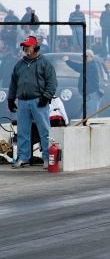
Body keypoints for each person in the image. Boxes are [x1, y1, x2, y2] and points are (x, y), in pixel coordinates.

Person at [7, 36, 57, 169]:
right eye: (24, 46)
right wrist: (11, 99)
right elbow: (13, 83)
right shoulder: (20, 65)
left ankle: (47, 158)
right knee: (23, 131)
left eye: (28, 46)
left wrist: (46, 97)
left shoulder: (44, 62)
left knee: (44, 130)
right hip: (23, 102)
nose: (25, 48)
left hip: (39, 101)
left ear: (35, 46)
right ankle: (24, 157)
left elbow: (52, 82)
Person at [62, 49, 101, 117]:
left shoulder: (90, 65)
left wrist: (67, 60)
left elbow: (77, 66)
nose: (84, 58)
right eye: (83, 56)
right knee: (84, 117)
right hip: (87, 95)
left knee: (91, 117)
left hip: (92, 95)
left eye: (86, 56)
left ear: (91, 57)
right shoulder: (87, 66)